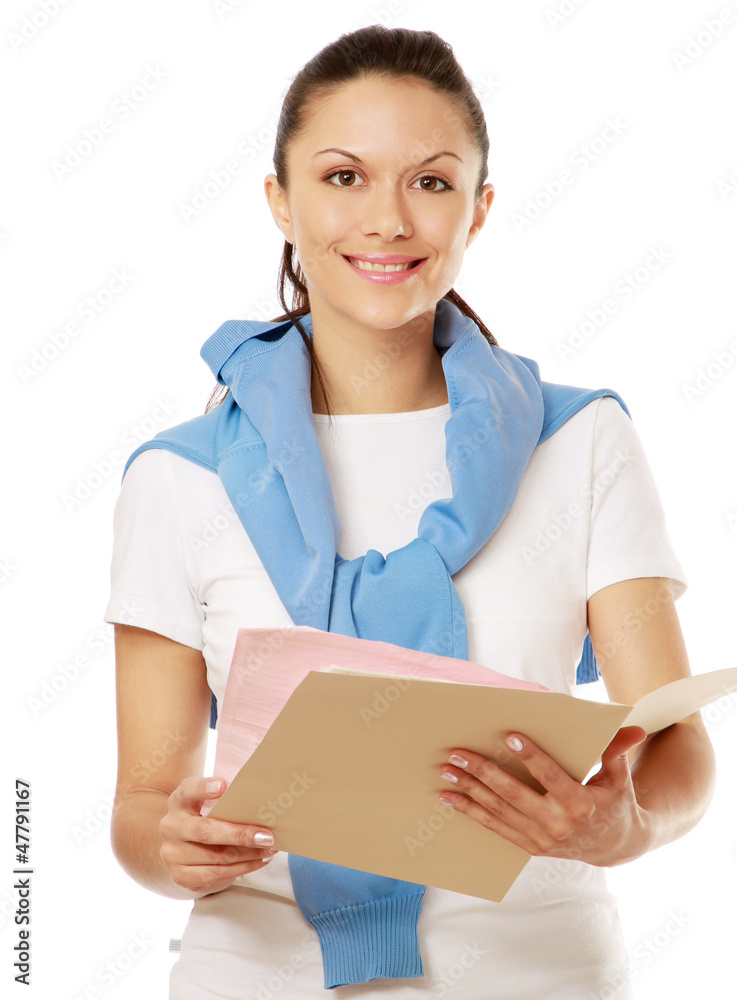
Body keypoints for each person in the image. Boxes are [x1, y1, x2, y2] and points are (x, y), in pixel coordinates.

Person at [104, 24, 716, 1000]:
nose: (386, 220)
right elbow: (140, 807)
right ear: (280, 201)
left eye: (429, 183)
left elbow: (675, 745)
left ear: (476, 210)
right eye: (343, 176)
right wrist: (172, 843)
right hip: (258, 974)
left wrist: (625, 826)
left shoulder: (582, 441)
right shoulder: (180, 478)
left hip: (535, 972)